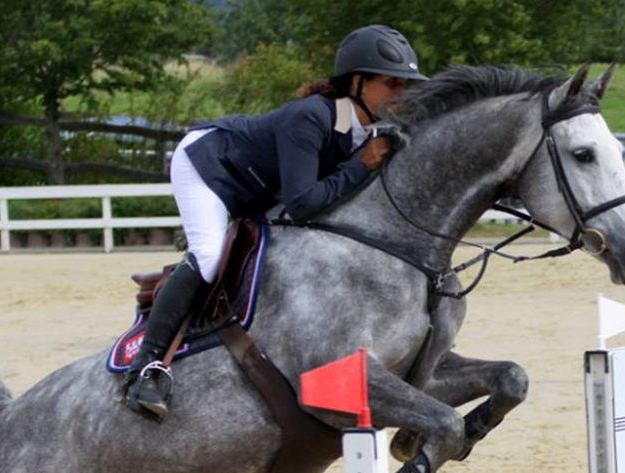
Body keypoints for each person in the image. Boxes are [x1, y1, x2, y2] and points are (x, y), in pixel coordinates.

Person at [122, 24, 429, 419]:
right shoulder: (311, 117)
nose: (400, 94)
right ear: (357, 82)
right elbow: (302, 203)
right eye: (392, 84)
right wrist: (361, 164)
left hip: (257, 187)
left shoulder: (365, 129)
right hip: (210, 166)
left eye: (403, 85)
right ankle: (146, 368)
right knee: (211, 254)